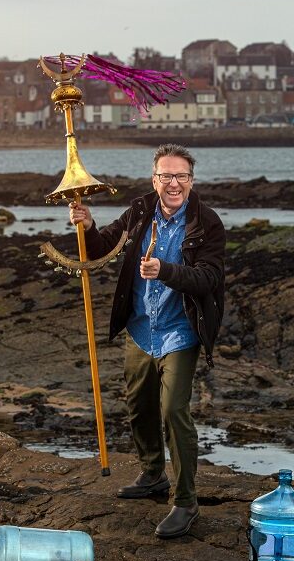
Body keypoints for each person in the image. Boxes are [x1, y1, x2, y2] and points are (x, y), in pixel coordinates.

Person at [68, 143, 226, 539]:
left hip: (180, 331)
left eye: (181, 176)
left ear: (192, 180)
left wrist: (166, 270)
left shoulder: (207, 223)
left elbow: (209, 278)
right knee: (139, 407)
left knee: (173, 410)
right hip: (141, 329)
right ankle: (153, 473)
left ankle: (186, 501)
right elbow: (103, 247)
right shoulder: (139, 211)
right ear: (154, 179)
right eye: (166, 176)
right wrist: (86, 225)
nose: (174, 183)